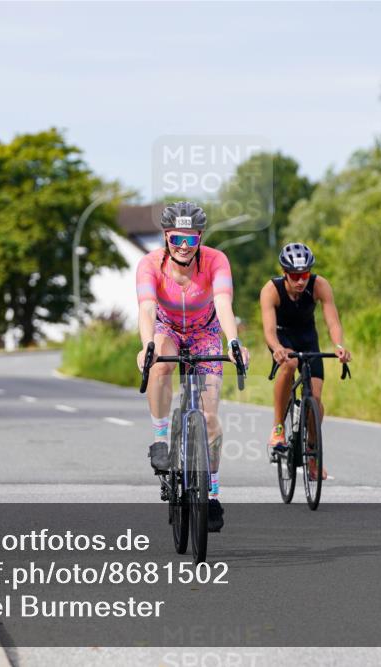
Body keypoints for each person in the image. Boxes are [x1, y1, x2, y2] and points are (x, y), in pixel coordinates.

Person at [135, 201, 250, 533]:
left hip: (206, 333)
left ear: (200, 237)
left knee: (210, 419)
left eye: (191, 239)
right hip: (167, 329)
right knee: (159, 365)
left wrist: (233, 342)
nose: (184, 247)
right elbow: (146, 309)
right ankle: (160, 437)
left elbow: (223, 302)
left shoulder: (216, 260)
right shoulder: (149, 264)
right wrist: (147, 346)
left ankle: (212, 492)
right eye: (176, 240)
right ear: (166, 237)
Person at [260, 242, 351, 481]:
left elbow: (333, 322)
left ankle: (312, 454)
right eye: (295, 275)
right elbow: (268, 330)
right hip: (283, 338)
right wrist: (277, 348)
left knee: (316, 399)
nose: (301, 281)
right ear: (285, 273)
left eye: (305, 275)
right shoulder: (271, 290)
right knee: (289, 365)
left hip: (309, 339)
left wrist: (339, 346)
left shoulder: (320, 285)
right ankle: (278, 428)